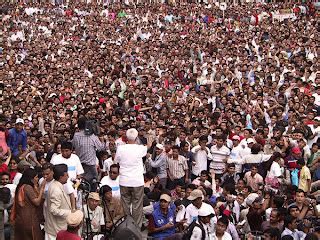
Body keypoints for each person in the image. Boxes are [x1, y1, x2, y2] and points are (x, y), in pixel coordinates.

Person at [115, 128, 147, 228]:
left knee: (125, 205)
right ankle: (136, 228)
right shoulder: (140, 148)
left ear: (126, 138)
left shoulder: (120, 148)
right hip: (137, 181)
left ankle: (127, 226)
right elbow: (147, 148)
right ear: (137, 137)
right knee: (137, 206)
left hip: (124, 180)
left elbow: (116, 161)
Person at [11, 168, 45, 240]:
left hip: (20, 220)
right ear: (31, 178)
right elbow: (37, 202)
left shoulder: (20, 186)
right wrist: (42, 189)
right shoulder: (27, 187)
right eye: (36, 177)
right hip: (29, 221)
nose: (37, 179)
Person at [51, 141, 84, 210]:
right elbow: (51, 173)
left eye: (67, 151)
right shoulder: (55, 159)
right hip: (59, 188)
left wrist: (76, 185)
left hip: (74, 187)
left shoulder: (75, 158)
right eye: (62, 151)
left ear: (71, 151)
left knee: (74, 208)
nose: (64, 153)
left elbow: (80, 174)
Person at [72, 117, 106, 183]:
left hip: (80, 165)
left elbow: (73, 146)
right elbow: (101, 148)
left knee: (80, 185)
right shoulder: (92, 136)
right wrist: (102, 140)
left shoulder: (76, 135)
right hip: (91, 167)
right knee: (92, 187)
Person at [44, 164, 72, 240]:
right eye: (66, 175)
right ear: (61, 177)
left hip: (56, 228)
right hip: (55, 230)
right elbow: (54, 210)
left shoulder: (56, 185)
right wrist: (70, 213)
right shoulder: (56, 190)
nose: (68, 176)